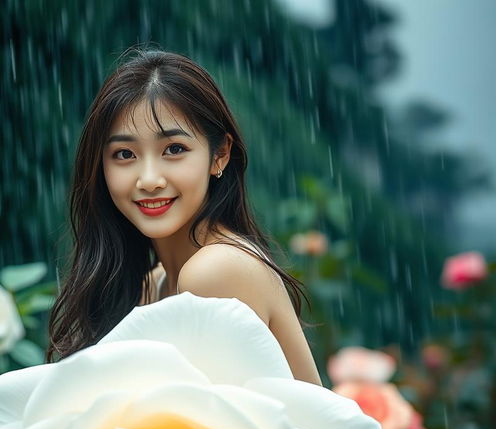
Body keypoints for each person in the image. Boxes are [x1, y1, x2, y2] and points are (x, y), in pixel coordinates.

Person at [46, 46, 322, 386]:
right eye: (125, 154)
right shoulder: (153, 284)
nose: (149, 179)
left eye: (174, 149)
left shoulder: (216, 272)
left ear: (220, 154)